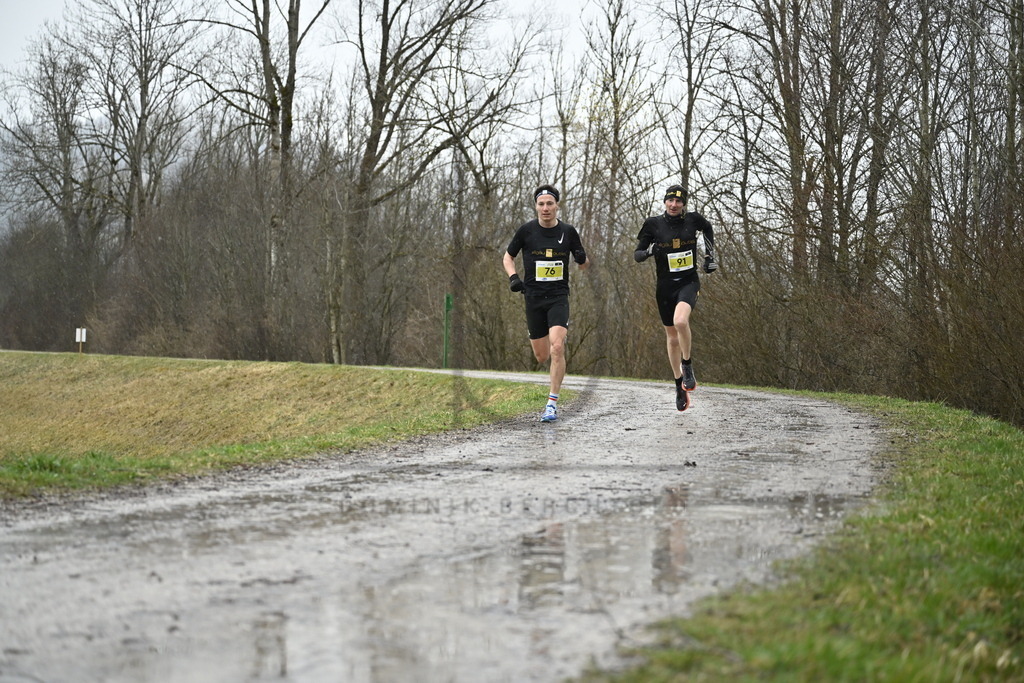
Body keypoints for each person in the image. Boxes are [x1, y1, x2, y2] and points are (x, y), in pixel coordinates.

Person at [503, 185, 590, 422]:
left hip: (558, 298)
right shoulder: (526, 231)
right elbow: (508, 257)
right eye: (541, 204)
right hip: (533, 298)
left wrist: (582, 260)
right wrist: (513, 278)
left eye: (550, 204)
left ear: (557, 206)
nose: (545, 208)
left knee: (557, 347)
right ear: (536, 207)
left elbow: (583, 261)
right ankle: (550, 388)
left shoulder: (568, 232)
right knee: (541, 356)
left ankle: (552, 404)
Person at [634, 184, 717, 412]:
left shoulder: (693, 220)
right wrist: (650, 251)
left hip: (688, 282)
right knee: (671, 337)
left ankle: (687, 364)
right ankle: (679, 385)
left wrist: (710, 257)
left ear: (684, 204)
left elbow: (708, 229)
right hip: (665, 287)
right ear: (665, 202)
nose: (674, 205)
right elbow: (637, 255)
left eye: (678, 202)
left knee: (681, 321)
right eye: (670, 201)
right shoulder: (653, 224)